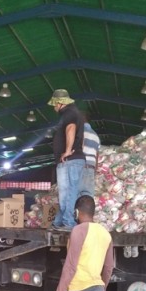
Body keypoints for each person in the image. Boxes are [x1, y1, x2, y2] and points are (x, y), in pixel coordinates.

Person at [48, 89, 86, 231]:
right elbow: (82, 140)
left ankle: (68, 222)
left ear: (59, 103)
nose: (54, 107)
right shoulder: (73, 113)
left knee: (69, 191)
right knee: (64, 192)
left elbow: (71, 128)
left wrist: (68, 151)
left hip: (71, 160)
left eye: (55, 104)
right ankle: (60, 221)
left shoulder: (69, 113)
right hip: (68, 160)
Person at [79, 114, 100, 197]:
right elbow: (96, 155)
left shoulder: (79, 132)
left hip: (79, 168)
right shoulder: (96, 136)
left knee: (76, 197)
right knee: (88, 197)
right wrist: (95, 170)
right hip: (91, 169)